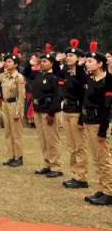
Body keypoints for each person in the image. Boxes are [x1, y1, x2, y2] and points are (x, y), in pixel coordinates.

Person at [80, 42, 112, 205]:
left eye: (90, 61)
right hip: (89, 121)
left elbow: (107, 108)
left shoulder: (107, 81)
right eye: (86, 61)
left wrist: (103, 129)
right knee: (96, 158)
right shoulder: (91, 79)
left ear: (100, 64)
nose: (87, 64)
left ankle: (109, 192)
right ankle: (102, 187)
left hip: (99, 123)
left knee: (104, 158)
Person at [30, 45, 64, 178]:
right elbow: (27, 73)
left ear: (52, 63)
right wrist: (32, 63)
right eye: (41, 61)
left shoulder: (54, 77)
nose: (42, 63)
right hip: (38, 110)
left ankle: (56, 166)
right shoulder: (39, 75)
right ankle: (47, 164)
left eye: (45, 61)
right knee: (43, 139)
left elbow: (58, 95)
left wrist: (51, 113)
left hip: (49, 111)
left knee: (52, 139)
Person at [0, 48, 26, 167]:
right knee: (7, 132)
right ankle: (11, 156)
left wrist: (18, 111)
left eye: (9, 61)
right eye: (6, 61)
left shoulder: (19, 78)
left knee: (16, 133)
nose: (7, 63)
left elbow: (21, 97)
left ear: (16, 64)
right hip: (5, 104)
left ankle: (19, 157)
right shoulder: (4, 76)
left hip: (14, 104)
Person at [61, 39, 89, 189]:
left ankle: (82, 177)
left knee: (80, 146)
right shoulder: (65, 71)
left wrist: (82, 119)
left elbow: (84, 90)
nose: (68, 58)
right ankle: (74, 174)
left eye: (71, 56)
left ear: (79, 58)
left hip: (77, 112)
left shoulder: (82, 74)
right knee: (71, 146)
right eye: (67, 56)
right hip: (66, 110)